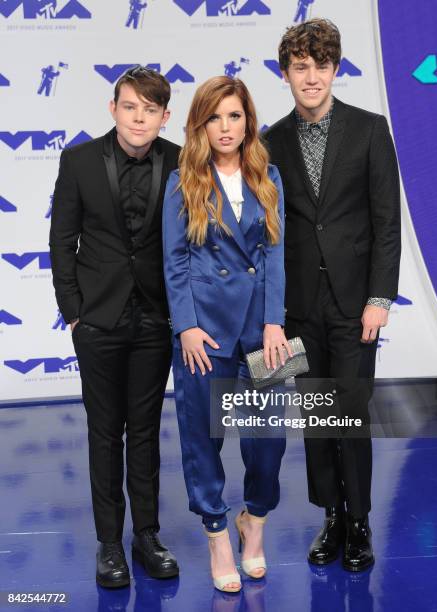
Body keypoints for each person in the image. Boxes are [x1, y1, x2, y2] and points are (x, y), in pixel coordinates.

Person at [264, 19, 401, 571]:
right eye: (301, 67)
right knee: (317, 418)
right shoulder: (270, 140)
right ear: (287, 73)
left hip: (354, 305)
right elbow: (270, 231)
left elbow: (386, 222)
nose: (312, 76)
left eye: (322, 66)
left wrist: (380, 298)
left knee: (352, 414)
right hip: (301, 308)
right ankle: (331, 518)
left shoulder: (370, 130)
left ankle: (360, 521)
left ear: (336, 69)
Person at [49, 66, 180, 588]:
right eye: (131, 107)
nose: (139, 118)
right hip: (98, 320)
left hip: (155, 317)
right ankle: (109, 543)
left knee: (145, 432)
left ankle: (146, 534)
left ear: (164, 116)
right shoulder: (78, 160)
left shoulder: (178, 160)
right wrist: (74, 310)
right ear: (113, 108)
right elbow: (63, 241)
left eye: (150, 110)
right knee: (105, 432)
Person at [162, 76, 289, 592]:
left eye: (234, 116)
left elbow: (276, 252)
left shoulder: (269, 175)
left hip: (264, 331)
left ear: (247, 120)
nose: (226, 127)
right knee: (202, 437)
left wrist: (276, 319)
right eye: (215, 117)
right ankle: (217, 532)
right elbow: (175, 260)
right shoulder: (182, 181)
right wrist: (185, 326)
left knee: (270, 439)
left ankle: (252, 524)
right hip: (204, 334)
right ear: (200, 124)